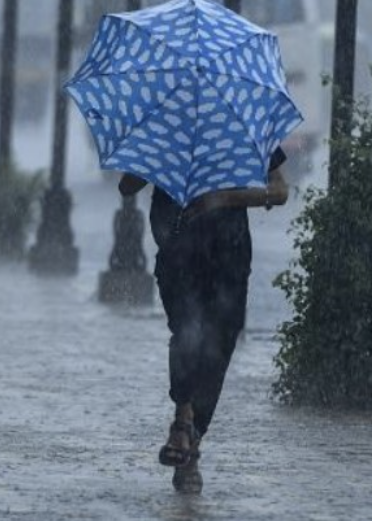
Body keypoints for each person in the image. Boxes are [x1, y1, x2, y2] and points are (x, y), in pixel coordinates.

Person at [118, 147, 289, 494]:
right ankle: (183, 421)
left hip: (230, 255)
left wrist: (222, 199)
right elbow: (126, 186)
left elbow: (280, 190)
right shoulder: (165, 128)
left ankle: (191, 434)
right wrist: (156, 158)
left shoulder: (240, 128)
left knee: (220, 343)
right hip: (178, 250)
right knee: (187, 332)